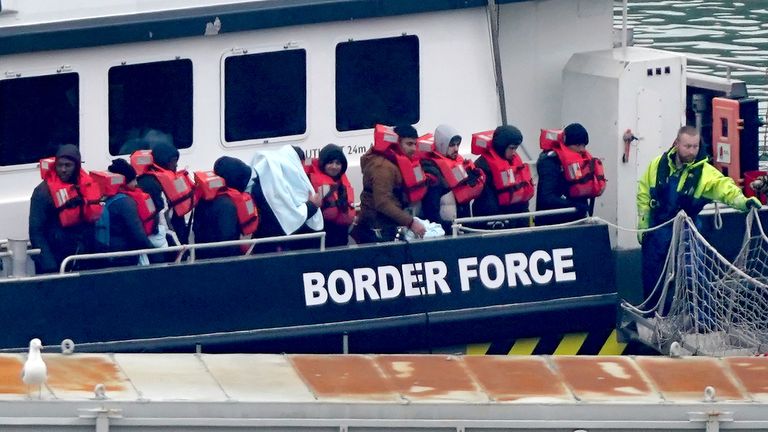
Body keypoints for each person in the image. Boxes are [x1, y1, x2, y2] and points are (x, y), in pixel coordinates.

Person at [637, 125, 761, 300]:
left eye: (695, 146)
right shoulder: (657, 165)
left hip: (689, 229)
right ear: (677, 144)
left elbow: (725, 188)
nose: (692, 151)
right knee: (653, 272)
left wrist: (744, 202)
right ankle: (652, 315)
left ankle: (701, 320)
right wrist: (643, 224)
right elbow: (644, 193)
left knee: (695, 273)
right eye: (687, 146)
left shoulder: (705, 173)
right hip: (658, 228)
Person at [28, 144, 101, 273]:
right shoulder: (42, 192)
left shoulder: (84, 187)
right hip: (55, 259)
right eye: (60, 165)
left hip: (82, 256)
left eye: (68, 165)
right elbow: (36, 231)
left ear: (77, 166)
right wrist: (48, 264)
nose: (63, 169)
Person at [355, 124, 427, 243]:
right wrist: (411, 222)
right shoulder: (383, 167)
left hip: (385, 226)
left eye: (415, 144)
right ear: (396, 143)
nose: (414, 149)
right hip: (376, 230)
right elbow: (382, 203)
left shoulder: (393, 164)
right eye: (409, 144)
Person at [249, 145, 323, 253]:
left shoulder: (261, 182)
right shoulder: (275, 187)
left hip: (265, 240)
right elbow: (289, 216)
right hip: (275, 245)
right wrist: (313, 205)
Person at [535, 123, 605, 226]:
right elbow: (546, 198)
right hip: (553, 223)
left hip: (577, 219)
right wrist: (575, 206)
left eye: (584, 145)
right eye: (578, 145)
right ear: (566, 144)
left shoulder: (579, 161)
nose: (582, 149)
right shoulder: (550, 161)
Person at [420, 124, 485, 232]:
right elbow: (431, 206)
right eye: (451, 145)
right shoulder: (431, 168)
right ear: (442, 145)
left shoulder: (460, 163)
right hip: (445, 227)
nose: (456, 149)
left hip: (461, 223)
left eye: (458, 145)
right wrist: (443, 228)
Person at [193, 156, 257, 259]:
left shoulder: (204, 199)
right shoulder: (227, 206)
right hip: (222, 263)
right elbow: (227, 238)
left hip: (203, 257)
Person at [94, 159, 156, 267]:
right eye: (133, 180)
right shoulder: (125, 202)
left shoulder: (104, 198)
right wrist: (154, 252)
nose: (136, 183)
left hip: (107, 254)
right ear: (125, 181)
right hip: (123, 257)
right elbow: (138, 234)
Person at [134, 141, 196, 247]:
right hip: (165, 240)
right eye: (174, 161)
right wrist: (178, 247)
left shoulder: (147, 180)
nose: (176, 165)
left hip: (165, 235)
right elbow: (164, 220)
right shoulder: (154, 185)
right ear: (164, 161)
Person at [471, 125, 534, 228]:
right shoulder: (482, 165)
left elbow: (521, 192)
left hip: (517, 219)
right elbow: (487, 203)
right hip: (494, 223)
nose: (514, 152)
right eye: (511, 148)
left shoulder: (514, 162)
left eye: (516, 148)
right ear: (501, 146)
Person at [307, 144, 356, 247]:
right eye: (330, 162)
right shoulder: (311, 182)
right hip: (322, 239)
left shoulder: (341, 182)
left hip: (341, 238)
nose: (334, 166)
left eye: (338, 163)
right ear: (323, 164)